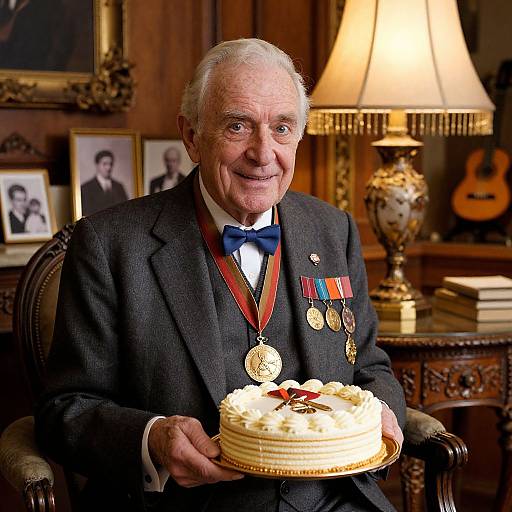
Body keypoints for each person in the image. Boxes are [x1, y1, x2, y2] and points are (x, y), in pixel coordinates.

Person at [36, 39, 405, 512]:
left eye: (282, 128)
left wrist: (382, 413)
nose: (263, 152)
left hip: (335, 501)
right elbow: (63, 411)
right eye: (237, 126)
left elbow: (371, 366)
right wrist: (152, 439)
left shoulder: (334, 230)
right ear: (191, 136)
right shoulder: (110, 245)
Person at [80, 149, 129, 217]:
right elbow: (86, 214)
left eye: (110, 164)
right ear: (97, 165)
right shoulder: (86, 188)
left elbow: (126, 210)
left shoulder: (119, 187)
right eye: (105, 164)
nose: (108, 168)